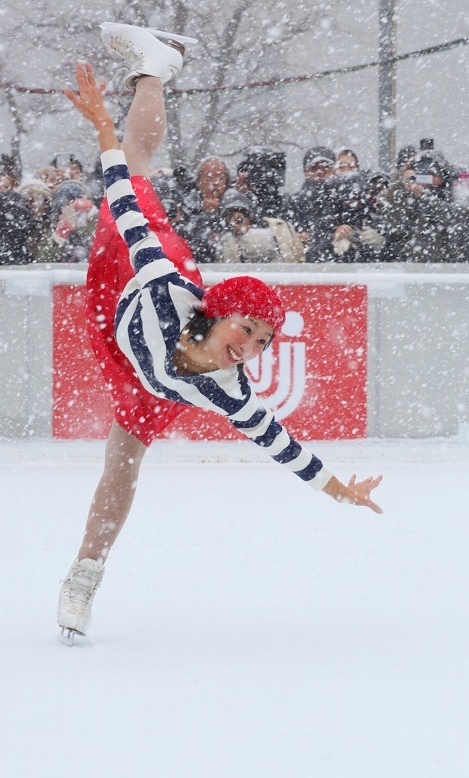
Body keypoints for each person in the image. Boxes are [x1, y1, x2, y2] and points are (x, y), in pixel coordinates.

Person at [57, 25, 383, 643]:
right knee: (138, 169)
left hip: (146, 375)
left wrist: (341, 490)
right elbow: (123, 195)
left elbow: (282, 444)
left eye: (263, 342)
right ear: (222, 312)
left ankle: (82, 578)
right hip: (124, 279)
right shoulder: (160, 282)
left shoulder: (230, 391)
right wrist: (102, 127)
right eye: (248, 328)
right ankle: (152, 68)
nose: (252, 347)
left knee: (122, 463)